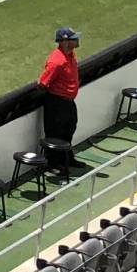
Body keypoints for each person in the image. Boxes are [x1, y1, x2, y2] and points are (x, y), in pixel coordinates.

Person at [38, 28, 81, 173]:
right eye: (74, 38)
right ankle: (53, 163)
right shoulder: (56, 61)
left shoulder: (70, 55)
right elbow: (43, 83)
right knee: (55, 133)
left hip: (68, 101)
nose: (77, 40)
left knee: (69, 129)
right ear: (65, 42)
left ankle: (66, 158)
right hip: (56, 102)